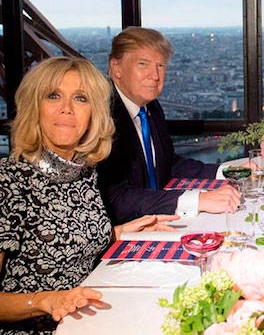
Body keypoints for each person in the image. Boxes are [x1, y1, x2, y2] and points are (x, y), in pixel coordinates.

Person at [0, 57, 178, 334]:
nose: (67, 109)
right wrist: (48, 300)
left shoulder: (84, 171)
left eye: (81, 99)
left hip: (91, 317)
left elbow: (63, 239)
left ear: (94, 114)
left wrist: (118, 232)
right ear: (33, 108)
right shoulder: (7, 180)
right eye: (53, 96)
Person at [96, 27, 240, 224]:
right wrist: (199, 200)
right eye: (143, 64)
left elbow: (167, 164)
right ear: (116, 68)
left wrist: (227, 171)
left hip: (155, 217)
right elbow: (116, 200)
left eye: (161, 66)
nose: (155, 76)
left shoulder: (151, 108)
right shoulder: (102, 117)